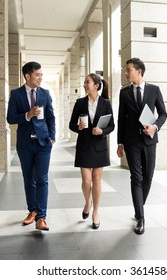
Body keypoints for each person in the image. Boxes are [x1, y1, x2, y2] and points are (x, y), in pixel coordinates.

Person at [116, 58, 167, 234]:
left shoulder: (154, 90)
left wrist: (155, 126)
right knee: (136, 178)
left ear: (139, 71)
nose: (126, 72)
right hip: (131, 141)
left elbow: (163, 113)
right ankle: (141, 217)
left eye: (128, 69)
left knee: (148, 177)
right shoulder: (124, 93)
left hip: (150, 140)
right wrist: (120, 142)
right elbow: (121, 119)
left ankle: (139, 206)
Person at [6, 61, 56, 231]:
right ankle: (32, 211)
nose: (40, 77)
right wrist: (27, 115)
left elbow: (51, 117)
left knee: (42, 179)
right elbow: (10, 118)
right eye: (37, 74)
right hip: (25, 144)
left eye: (41, 74)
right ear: (27, 76)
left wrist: (52, 137)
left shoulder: (45, 93)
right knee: (29, 179)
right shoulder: (16, 94)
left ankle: (41, 217)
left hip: (43, 143)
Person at [69, 74, 115, 230]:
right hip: (84, 145)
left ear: (96, 85)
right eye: (84, 82)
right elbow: (71, 124)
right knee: (86, 181)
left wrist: (102, 131)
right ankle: (87, 203)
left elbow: (111, 126)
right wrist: (78, 128)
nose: (84, 85)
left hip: (99, 146)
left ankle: (95, 212)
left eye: (87, 82)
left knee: (96, 179)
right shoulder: (80, 103)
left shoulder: (106, 103)